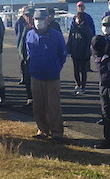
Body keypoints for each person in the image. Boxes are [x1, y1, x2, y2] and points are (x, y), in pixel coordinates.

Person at [26, 9, 67, 140]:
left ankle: (57, 132)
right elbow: (28, 52)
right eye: (36, 19)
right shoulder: (29, 34)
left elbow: (63, 54)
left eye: (41, 19)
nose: (38, 22)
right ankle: (43, 130)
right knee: (38, 106)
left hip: (52, 76)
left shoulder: (56, 35)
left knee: (53, 106)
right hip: (36, 75)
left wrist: (56, 67)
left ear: (47, 20)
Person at [66, 12, 93, 95]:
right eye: (77, 18)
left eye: (79, 18)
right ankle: (77, 84)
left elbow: (89, 42)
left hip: (84, 53)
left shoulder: (87, 29)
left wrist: (87, 53)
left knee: (83, 71)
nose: (78, 20)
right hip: (75, 52)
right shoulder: (73, 28)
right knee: (76, 70)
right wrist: (68, 50)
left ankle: (83, 86)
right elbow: (70, 40)